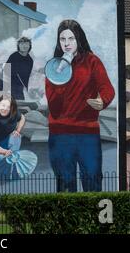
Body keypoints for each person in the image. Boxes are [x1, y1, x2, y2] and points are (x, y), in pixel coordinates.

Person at [45, 19, 115, 192]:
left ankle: (92, 219)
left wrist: (102, 101)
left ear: (79, 39)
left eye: (71, 38)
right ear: (58, 41)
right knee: (65, 183)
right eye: (62, 39)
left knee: (92, 180)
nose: (67, 44)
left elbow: (107, 88)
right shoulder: (54, 67)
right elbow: (54, 107)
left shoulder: (92, 61)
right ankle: (66, 219)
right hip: (60, 134)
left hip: (87, 133)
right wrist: (60, 76)